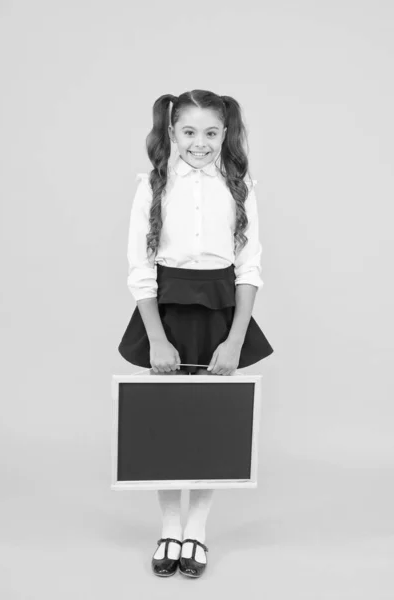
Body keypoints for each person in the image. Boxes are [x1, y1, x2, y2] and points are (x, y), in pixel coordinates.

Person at [118, 90, 274, 578]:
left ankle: (197, 531)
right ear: (171, 133)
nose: (200, 143)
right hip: (166, 313)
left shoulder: (240, 185)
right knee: (169, 423)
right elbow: (140, 268)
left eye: (211, 133)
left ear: (225, 134)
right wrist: (157, 337)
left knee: (210, 423)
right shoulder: (153, 185)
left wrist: (235, 338)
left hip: (221, 312)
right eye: (189, 132)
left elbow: (248, 269)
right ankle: (169, 528)